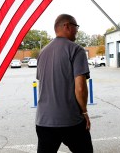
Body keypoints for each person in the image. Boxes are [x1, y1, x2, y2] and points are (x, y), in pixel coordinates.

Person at [36, 14, 93, 153]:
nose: (77, 31)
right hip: (70, 120)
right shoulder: (76, 50)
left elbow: (43, 83)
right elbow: (80, 88)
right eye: (76, 26)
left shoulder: (42, 52)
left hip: (44, 121)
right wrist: (84, 111)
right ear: (66, 26)